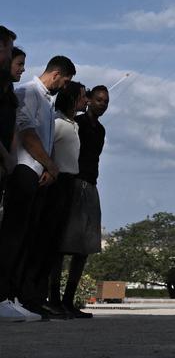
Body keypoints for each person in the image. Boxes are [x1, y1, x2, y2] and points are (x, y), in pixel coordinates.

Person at [0, 55, 76, 322]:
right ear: (56, 75)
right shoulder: (28, 93)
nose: (65, 87)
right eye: (65, 81)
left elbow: (46, 139)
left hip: (38, 174)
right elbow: (27, 133)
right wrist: (50, 165)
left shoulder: (47, 100)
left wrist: (48, 167)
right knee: (13, 237)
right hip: (24, 169)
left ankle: (21, 297)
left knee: (29, 239)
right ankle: (5, 295)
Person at [25, 81, 84, 319]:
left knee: (56, 240)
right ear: (72, 99)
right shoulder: (58, 123)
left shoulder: (73, 124)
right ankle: (39, 296)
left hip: (70, 182)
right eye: (82, 96)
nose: (85, 101)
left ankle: (46, 299)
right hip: (56, 182)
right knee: (46, 239)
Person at [56, 84, 109, 319]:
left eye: (106, 101)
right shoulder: (77, 124)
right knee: (62, 243)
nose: (102, 104)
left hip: (91, 184)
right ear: (88, 100)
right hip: (73, 182)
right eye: (98, 100)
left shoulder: (100, 130)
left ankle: (68, 299)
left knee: (85, 247)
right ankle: (54, 298)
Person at [0, 28, 18, 204]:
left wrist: (11, 158)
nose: (11, 57)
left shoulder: (8, 89)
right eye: (10, 50)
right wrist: (6, 157)